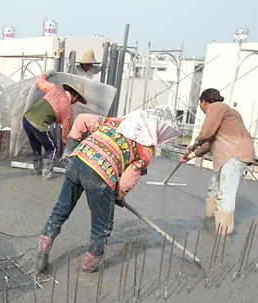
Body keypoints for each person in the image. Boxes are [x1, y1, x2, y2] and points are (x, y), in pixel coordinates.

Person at [36, 106, 181, 273]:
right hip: (100, 173)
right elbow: (126, 182)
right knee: (102, 225)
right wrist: (118, 197)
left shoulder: (117, 122)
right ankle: (88, 268)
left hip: (77, 160)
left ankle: (42, 256)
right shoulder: (146, 149)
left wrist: (70, 149)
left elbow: (81, 119)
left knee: (61, 209)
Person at [179, 88, 254, 234]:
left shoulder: (216, 107)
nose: (201, 108)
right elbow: (209, 142)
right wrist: (192, 155)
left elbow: (206, 134)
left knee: (225, 192)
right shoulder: (226, 113)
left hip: (235, 154)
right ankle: (210, 220)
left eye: (200, 105)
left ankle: (223, 231)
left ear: (203, 102)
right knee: (214, 187)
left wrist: (194, 144)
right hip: (229, 155)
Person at [22, 71, 86, 179]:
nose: (76, 102)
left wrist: (46, 74)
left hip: (26, 119)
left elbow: (39, 82)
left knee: (36, 147)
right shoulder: (67, 109)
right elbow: (65, 132)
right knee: (53, 148)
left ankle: (37, 173)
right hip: (39, 125)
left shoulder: (54, 89)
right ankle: (46, 176)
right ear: (75, 97)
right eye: (77, 100)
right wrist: (67, 147)